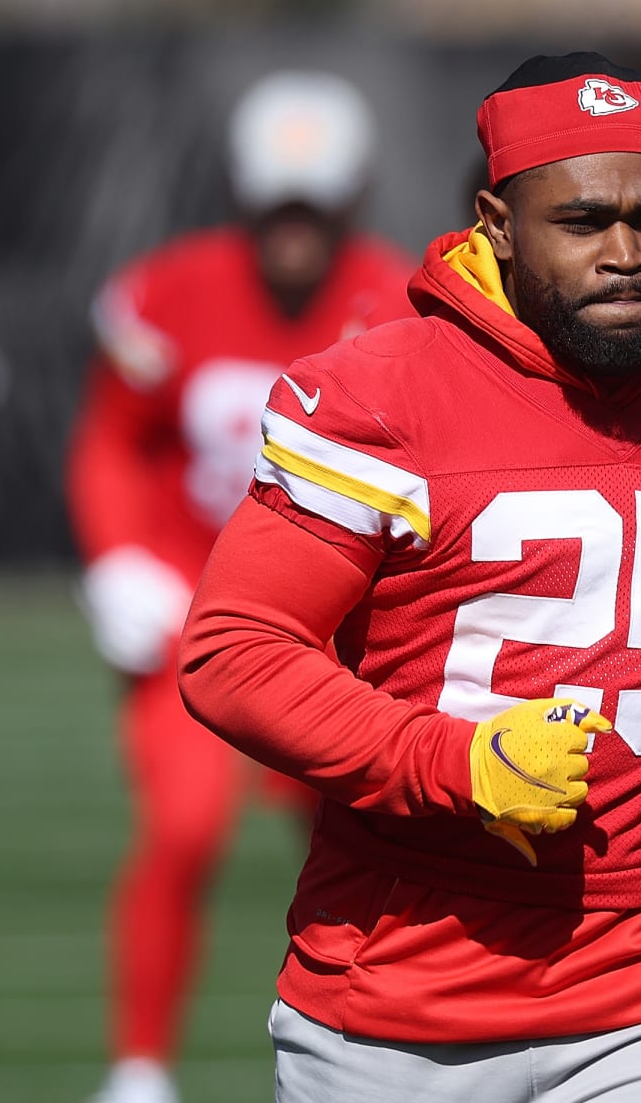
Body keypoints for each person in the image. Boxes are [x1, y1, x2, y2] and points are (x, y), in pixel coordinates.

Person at [177, 52, 641, 1100]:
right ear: (497, 224)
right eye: (582, 224)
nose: (626, 254)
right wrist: (456, 762)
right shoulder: (380, 398)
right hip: (400, 1003)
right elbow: (234, 652)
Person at [67, 70, 415, 1103]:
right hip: (199, 602)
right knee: (180, 829)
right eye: (276, 204)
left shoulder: (401, 301)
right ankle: (139, 1071)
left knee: (364, 845)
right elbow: (111, 444)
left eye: (312, 204)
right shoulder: (171, 289)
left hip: (342, 624)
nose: (292, 228)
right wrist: (116, 555)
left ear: (351, 197)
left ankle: (379, 1053)